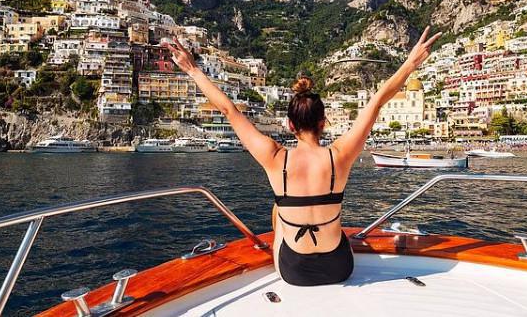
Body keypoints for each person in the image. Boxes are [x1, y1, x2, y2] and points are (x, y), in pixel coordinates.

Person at [163, 26, 441, 286]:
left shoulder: (274, 157)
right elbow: (377, 99)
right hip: (339, 268)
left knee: (279, 209)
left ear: (290, 125)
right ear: (324, 122)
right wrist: (411, 63)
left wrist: (193, 69)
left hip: (294, 272)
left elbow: (229, 111)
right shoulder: (340, 156)